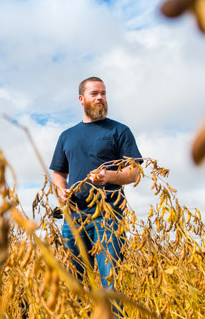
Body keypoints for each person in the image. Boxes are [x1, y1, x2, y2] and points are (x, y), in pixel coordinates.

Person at [49, 77, 142, 294]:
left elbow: (134, 172)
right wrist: (61, 189)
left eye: (103, 93)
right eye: (94, 94)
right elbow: (58, 173)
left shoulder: (119, 131)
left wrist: (108, 176)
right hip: (73, 219)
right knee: (76, 285)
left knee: (110, 284)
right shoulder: (67, 136)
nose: (100, 97)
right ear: (81, 99)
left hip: (109, 217)